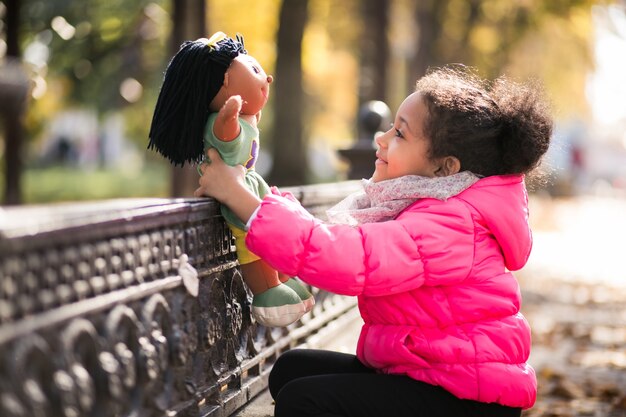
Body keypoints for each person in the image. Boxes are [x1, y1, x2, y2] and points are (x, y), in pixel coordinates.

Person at [194, 66, 553, 417]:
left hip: (465, 399)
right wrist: (257, 201)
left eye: (400, 134)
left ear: (445, 168)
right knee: (291, 370)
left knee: (303, 401)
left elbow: (348, 258)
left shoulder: (451, 223)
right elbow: (337, 240)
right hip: (431, 373)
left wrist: (241, 198)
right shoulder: (429, 206)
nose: (382, 139)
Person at [148, 32, 314, 327]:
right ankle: (266, 291)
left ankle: (285, 277)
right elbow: (226, 136)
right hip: (235, 192)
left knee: (270, 228)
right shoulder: (224, 121)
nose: (268, 78)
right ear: (226, 82)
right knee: (252, 241)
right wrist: (229, 116)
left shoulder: (248, 118)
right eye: (255, 71)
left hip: (248, 183)